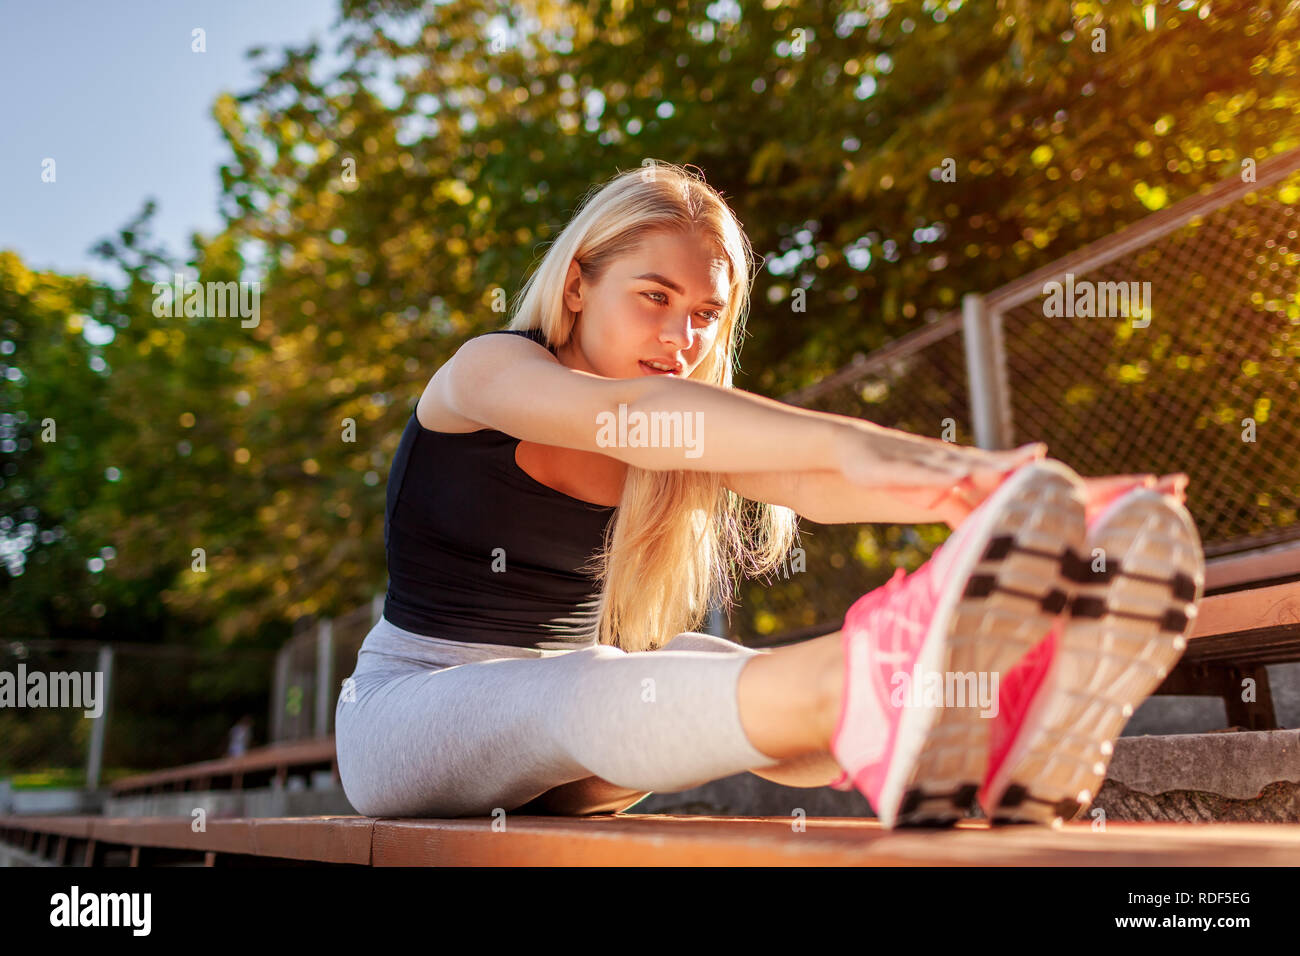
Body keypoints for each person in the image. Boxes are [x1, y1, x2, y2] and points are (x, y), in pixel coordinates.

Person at [333, 161, 1201, 826]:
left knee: (708, 668)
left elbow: (809, 481)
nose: (682, 336)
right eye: (653, 296)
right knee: (598, 682)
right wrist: (914, 460)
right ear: (575, 285)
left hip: (569, 760)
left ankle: (1001, 716)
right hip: (409, 721)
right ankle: (890, 676)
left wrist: (1017, 496)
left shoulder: (671, 421)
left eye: (706, 313)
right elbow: (632, 416)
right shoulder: (489, 370)